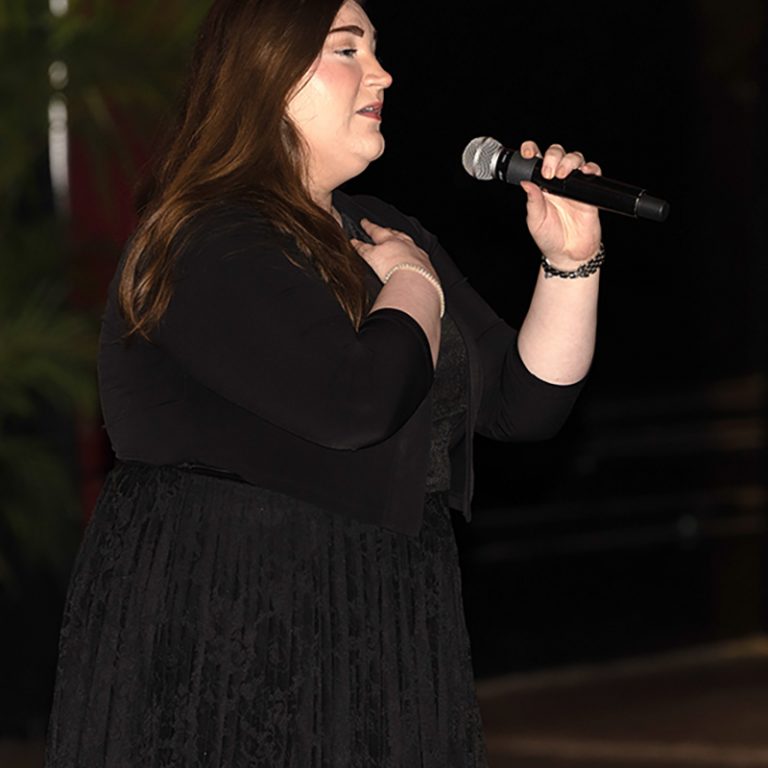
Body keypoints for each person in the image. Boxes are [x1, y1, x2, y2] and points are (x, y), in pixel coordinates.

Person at [45, 0, 603, 765]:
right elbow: (355, 403)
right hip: (231, 627)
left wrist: (571, 261)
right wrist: (411, 284)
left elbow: (523, 402)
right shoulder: (206, 234)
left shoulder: (374, 227)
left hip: (382, 614)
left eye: (375, 47)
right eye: (348, 49)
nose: (382, 72)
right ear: (267, 75)